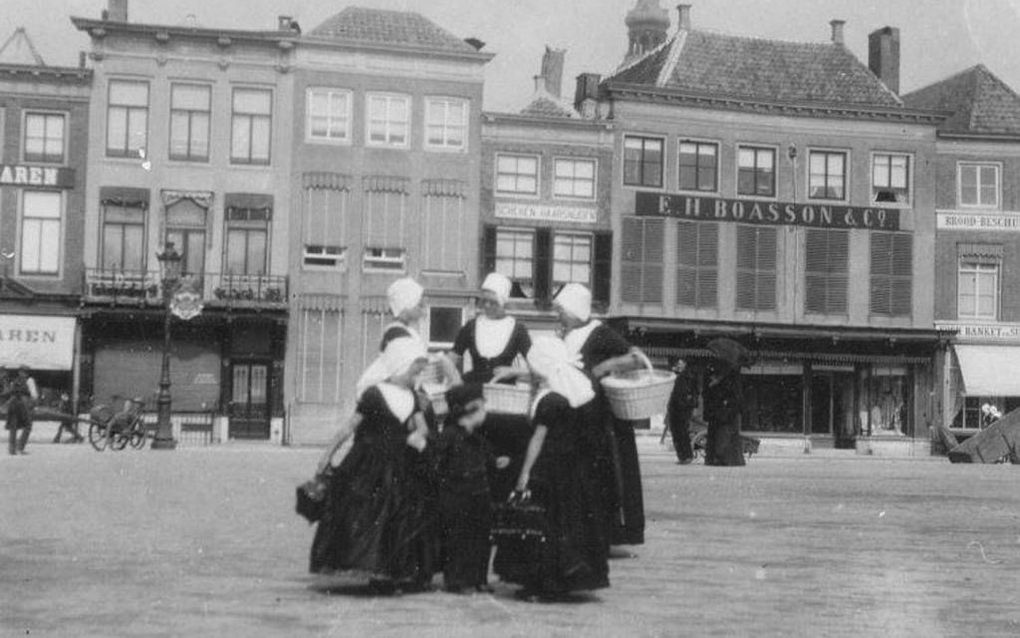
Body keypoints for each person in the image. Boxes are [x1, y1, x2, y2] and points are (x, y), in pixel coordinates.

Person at [309, 337, 436, 593]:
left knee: (396, 517)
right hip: (368, 463)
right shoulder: (374, 394)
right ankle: (375, 571)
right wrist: (327, 455)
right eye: (416, 368)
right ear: (401, 365)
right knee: (369, 516)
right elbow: (350, 426)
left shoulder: (412, 395)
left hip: (399, 463)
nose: (419, 373)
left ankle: (388, 574)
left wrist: (418, 435)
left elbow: (421, 426)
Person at [496, 336, 609, 601]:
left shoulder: (549, 399)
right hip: (567, 469)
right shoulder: (563, 392)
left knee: (545, 525)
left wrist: (524, 473)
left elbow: (538, 439)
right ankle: (556, 580)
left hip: (548, 469)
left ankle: (546, 582)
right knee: (563, 524)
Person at [553, 283, 647, 547]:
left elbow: (637, 358)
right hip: (577, 415)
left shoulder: (601, 333)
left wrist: (605, 366)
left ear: (573, 309)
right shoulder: (565, 335)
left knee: (605, 476)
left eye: (561, 309)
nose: (558, 315)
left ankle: (610, 535)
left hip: (601, 418)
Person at [450, 272, 533, 501]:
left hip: (502, 404)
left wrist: (513, 371)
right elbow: (452, 358)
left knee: (504, 451)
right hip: (473, 399)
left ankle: (503, 497)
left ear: (504, 301)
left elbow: (537, 368)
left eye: (492, 301)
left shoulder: (518, 330)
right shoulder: (470, 327)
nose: (486, 306)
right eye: (482, 300)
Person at [432, 383, 507, 594]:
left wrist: (496, 462)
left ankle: (478, 578)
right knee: (459, 539)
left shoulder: (478, 439)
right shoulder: (449, 435)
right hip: (457, 494)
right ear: (471, 409)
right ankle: (457, 580)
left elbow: (487, 458)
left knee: (481, 537)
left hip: (479, 493)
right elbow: (438, 461)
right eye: (482, 407)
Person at [702, 338, 750, 467]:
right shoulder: (720, 370)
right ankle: (716, 458)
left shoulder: (731, 373)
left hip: (726, 409)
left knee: (724, 435)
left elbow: (734, 393)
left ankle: (722, 458)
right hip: (719, 409)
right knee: (719, 434)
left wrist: (724, 398)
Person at [664, 358, 698, 464]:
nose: (678, 365)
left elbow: (690, 393)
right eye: (677, 363)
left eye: (681, 363)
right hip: (676, 407)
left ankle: (685, 455)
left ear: (685, 365)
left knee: (681, 432)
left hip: (682, 408)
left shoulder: (686, 377)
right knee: (678, 432)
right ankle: (683, 456)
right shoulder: (677, 376)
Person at [6, 366, 38, 455]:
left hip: (13, 404)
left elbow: (9, 393)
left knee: (14, 426)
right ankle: (20, 447)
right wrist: (33, 405)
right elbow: (34, 395)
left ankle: (12, 449)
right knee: (28, 425)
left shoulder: (14, 381)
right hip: (23, 405)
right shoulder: (30, 380)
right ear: (27, 373)